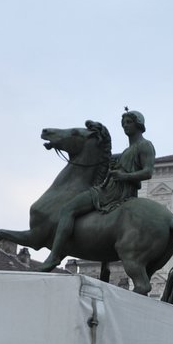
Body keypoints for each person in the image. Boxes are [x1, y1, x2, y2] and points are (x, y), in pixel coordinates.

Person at [47, 110, 155, 267]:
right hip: (112, 188)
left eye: (129, 122)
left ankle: (54, 256)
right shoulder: (127, 151)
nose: (125, 125)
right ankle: (104, 268)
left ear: (139, 124)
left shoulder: (145, 146)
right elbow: (103, 157)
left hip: (114, 192)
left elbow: (148, 172)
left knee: (68, 209)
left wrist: (124, 176)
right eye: (123, 122)